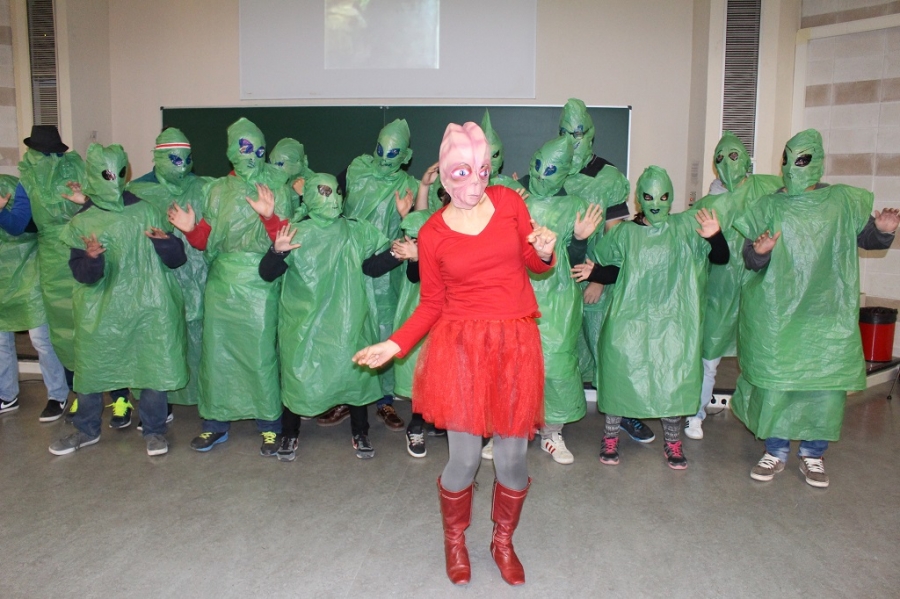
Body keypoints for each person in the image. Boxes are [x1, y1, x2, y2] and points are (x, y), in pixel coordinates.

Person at [353, 122, 557, 586]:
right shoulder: (432, 233)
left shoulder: (509, 203)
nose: (475, 185)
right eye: (462, 174)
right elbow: (431, 304)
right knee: (463, 460)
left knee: (511, 460)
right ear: (444, 177)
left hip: (513, 344)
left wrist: (546, 252)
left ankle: (502, 542)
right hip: (461, 349)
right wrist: (395, 343)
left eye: (483, 172)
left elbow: (533, 261)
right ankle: (455, 541)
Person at [731, 129, 899, 488]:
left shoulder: (842, 201)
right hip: (778, 313)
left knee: (824, 388)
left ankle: (813, 454)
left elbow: (866, 237)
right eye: (788, 159)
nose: (793, 167)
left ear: (818, 161)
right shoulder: (767, 205)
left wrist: (882, 231)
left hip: (826, 311)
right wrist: (759, 252)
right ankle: (775, 450)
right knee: (778, 384)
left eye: (802, 159)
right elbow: (749, 258)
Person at [574, 166, 728, 469]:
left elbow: (720, 258)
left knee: (671, 380)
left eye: (663, 197)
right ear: (639, 199)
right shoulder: (625, 233)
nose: (656, 203)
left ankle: (672, 443)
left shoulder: (685, 228)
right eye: (649, 197)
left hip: (673, 322)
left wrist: (716, 237)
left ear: (670, 198)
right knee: (620, 376)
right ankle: (610, 439)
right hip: (628, 320)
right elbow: (617, 270)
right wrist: (596, 273)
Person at [249, 172, 407, 460]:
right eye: (324, 192)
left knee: (354, 375)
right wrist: (277, 252)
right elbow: (267, 273)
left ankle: (361, 430)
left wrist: (396, 255)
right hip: (304, 323)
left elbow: (371, 268)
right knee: (299, 374)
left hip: (347, 318)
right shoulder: (296, 232)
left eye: (336, 192)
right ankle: (290, 433)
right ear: (309, 196)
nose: (333, 199)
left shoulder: (355, 231)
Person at [49, 143, 188, 457]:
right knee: (92, 369)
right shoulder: (84, 221)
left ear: (125, 172)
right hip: (100, 310)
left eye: (116, 172)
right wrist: (93, 259)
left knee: (151, 366)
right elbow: (81, 273)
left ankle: (154, 431)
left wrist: (167, 243)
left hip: (147, 305)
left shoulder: (147, 211)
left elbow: (176, 259)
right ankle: (86, 429)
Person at [168, 117, 290, 455]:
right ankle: (215, 423)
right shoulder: (216, 190)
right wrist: (192, 229)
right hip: (222, 284)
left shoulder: (276, 187)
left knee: (261, 354)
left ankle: (269, 423)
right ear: (231, 151)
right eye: (245, 148)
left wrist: (269, 215)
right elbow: (205, 241)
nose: (252, 155)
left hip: (259, 283)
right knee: (217, 354)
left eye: (258, 149)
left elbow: (285, 241)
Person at [559, 98, 651, 443]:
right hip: (554, 280)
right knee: (557, 350)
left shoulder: (608, 177)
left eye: (578, 134)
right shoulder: (551, 171)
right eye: (565, 134)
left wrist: (599, 276)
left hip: (593, 276)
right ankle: (550, 419)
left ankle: (622, 414)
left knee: (605, 349)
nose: (572, 141)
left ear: (591, 135)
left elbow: (616, 235)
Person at [682, 132, 782, 440]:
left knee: (764, 355)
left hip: (761, 284)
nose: (727, 163)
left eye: (734, 156)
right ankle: (695, 414)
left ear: (747, 160)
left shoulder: (767, 188)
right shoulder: (708, 205)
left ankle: (768, 420)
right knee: (708, 358)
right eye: (721, 158)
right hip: (720, 290)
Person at [519, 135, 603, 464]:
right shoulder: (516, 198)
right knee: (512, 364)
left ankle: (552, 433)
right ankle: (509, 431)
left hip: (557, 297)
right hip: (517, 292)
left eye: (551, 170)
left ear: (565, 172)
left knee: (555, 363)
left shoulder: (574, 207)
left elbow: (574, 257)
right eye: (538, 166)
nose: (541, 175)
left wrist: (580, 240)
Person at [333, 119, 418, 431]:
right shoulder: (355, 171)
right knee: (347, 328)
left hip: (385, 271)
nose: (385, 157)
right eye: (381, 149)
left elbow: (415, 232)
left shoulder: (407, 186)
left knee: (384, 332)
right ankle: (346, 397)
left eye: (393, 152)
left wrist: (406, 214)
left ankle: (384, 402)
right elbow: (330, 203)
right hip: (348, 264)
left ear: (405, 155)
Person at [128, 128, 213, 419]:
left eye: (185, 159)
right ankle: (159, 404)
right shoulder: (138, 192)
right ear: (158, 157)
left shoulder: (204, 188)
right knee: (161, 340)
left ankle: (203, 398)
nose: (181, 165)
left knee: (197, 341)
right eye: (173, 158)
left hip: (198, 277)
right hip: (155, 280)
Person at [13, 125, 84, 421]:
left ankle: (84, 392)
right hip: (47, 261)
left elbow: (99, 208)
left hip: (80, 253)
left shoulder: (76, 171)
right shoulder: (26, 180)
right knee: (46, 335)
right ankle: (58, 394)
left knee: (83, 328)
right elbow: (20, 224)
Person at [0, 174, 69, 421]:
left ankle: (57, 395)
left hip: (27, 272)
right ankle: (6, 395)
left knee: (41, 338)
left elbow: (23, 226)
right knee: (0, 339)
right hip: (2, 278)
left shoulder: (13, 185)